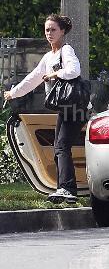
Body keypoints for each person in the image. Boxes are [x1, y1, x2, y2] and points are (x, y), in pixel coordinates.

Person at [3, 14, 85, 204]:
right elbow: (32, 79)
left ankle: (67, 188)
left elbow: (75, 71)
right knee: (59, 146)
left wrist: (55, 74)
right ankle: (66, 188)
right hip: (66, 108)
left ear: (62, 31)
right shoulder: (49, 56)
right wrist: (13, 93)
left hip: (76, 106)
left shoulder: (66, 50)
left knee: (61, 146)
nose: (49, 33)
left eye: (53, 29)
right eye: (47, 30)